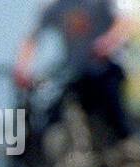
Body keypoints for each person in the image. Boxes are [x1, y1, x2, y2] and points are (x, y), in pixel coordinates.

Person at [15, 1, 140, 157]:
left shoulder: (105, 3)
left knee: (112, 102)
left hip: (107, 68)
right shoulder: (54, 6)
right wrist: (22, 68)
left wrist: (107, 43)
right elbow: (32, 38)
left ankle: (126, 141)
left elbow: (125, 22)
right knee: (52, 109)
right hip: (75, 73)